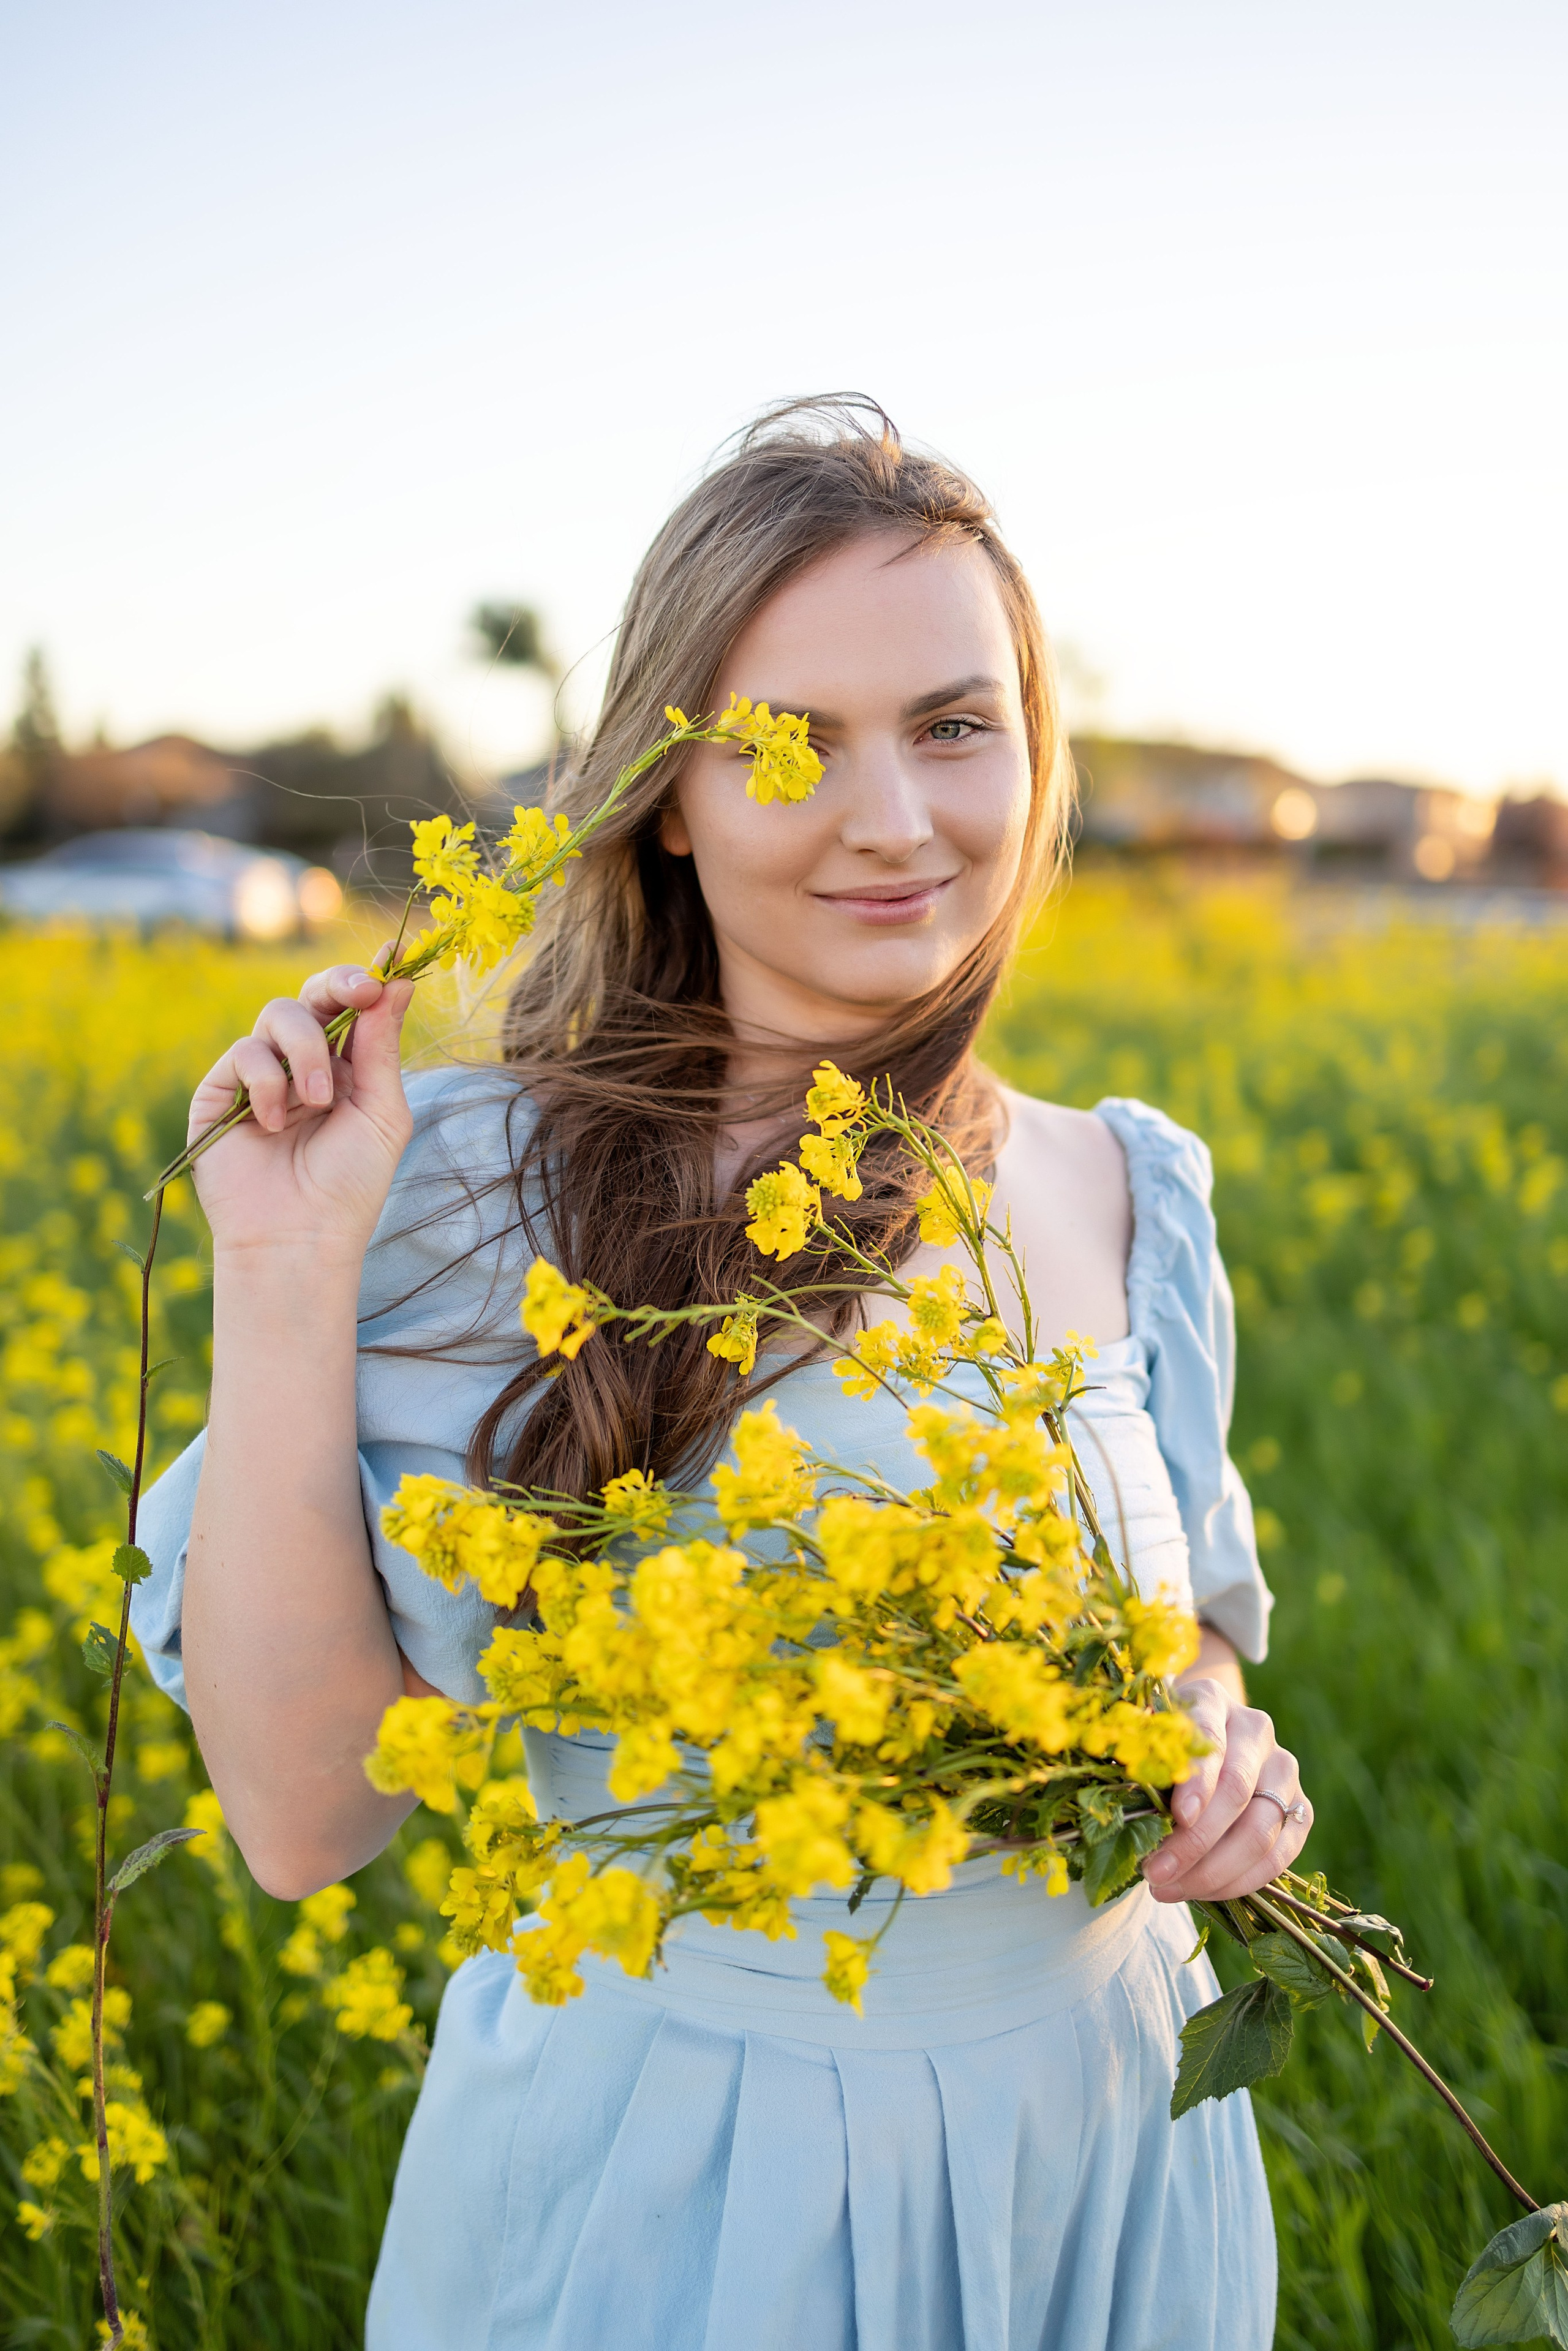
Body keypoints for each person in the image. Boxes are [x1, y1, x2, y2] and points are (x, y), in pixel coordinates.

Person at [135, 396, 1306, 2350]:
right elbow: (300, 1818)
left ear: (1033, 751)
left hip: (1110, 2146)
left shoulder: (1128, 1186)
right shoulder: (460, 1193)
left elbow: (1187, 1642)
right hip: (682, 2195)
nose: (895, 818)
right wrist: (281, 1266)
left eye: (954, 726)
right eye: (792, 744)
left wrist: (1219, 1753)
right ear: (663, 796)